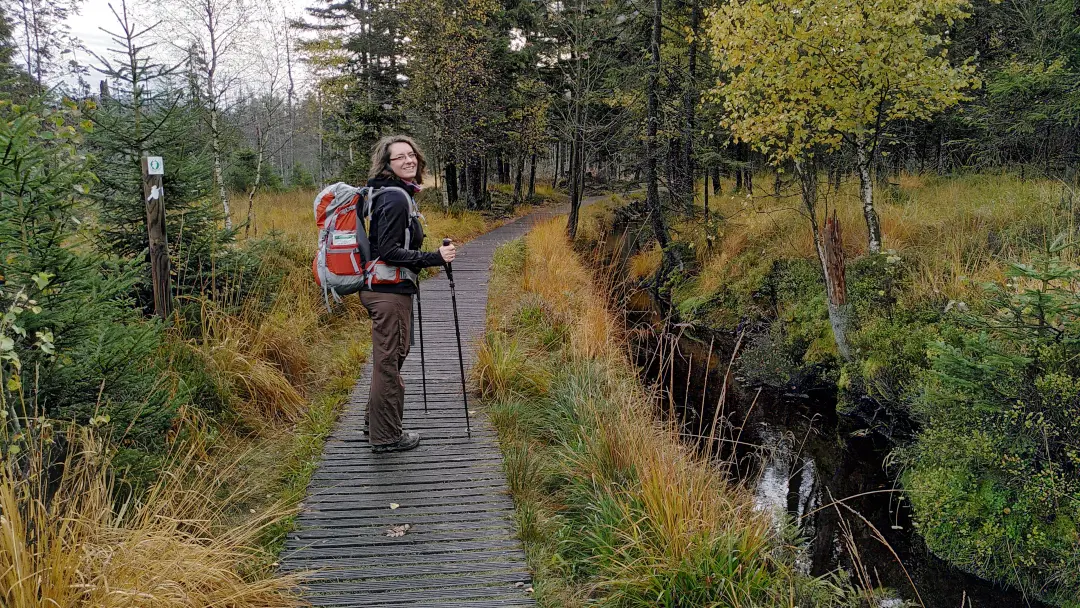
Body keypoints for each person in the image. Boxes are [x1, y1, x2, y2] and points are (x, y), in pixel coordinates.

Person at [362, 135, 456, 453]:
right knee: (389, 362)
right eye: (399, 157)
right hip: (388, 292)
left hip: (387, 289)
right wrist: (434, 258)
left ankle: (374, 423)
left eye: (411, 154)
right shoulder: (395, 198)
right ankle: (386, 436)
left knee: (390, 359)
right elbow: (388, 251)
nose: (409, 160)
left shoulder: (392, 194)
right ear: (387, 164)